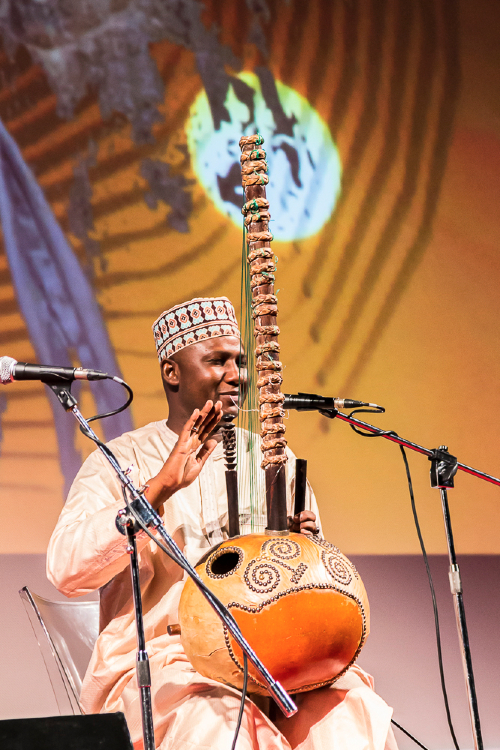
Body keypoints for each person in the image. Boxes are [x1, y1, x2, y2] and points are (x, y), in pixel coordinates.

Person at [47, 296, 398, 750]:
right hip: (169, 663)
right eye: (217, 361)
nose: (237, 375)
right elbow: (66, 570)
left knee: (350, 714)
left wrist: (307, 551)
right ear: (172, 372)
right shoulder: (120, 460)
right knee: (222, 722)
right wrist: (158, 490)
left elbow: (308, 590)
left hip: (276, 657)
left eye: (241, 362)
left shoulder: (272, 459)